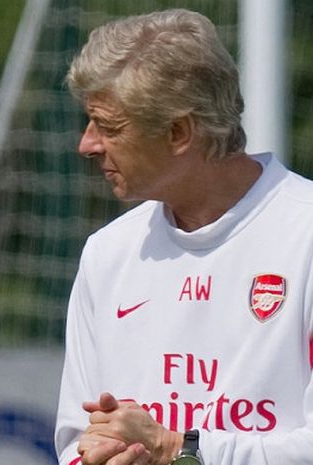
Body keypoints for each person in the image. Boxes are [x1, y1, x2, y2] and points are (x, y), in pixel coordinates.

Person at [55, 8, 313, 465]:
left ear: (179, 132)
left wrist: (180, 451)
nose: (87, 144)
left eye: (109, 127)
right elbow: (75, 441)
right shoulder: (108, 253)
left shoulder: (304, 234)